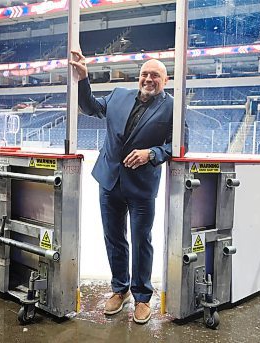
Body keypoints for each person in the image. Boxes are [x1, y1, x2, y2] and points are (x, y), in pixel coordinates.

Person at [70, 50, 174, 324]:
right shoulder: (118, 95)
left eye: (155, 75)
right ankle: (120, 289)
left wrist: (151, 154)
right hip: (110, 181)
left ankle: (142, 297)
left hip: (141, 186)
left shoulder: (172, 106)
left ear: (166, 80)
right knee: (113, 237)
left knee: (142, 241)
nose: (148, 79)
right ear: (138, 77)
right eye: (145, 74)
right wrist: (83, 78)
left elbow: (176, 145)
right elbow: (90, 107)